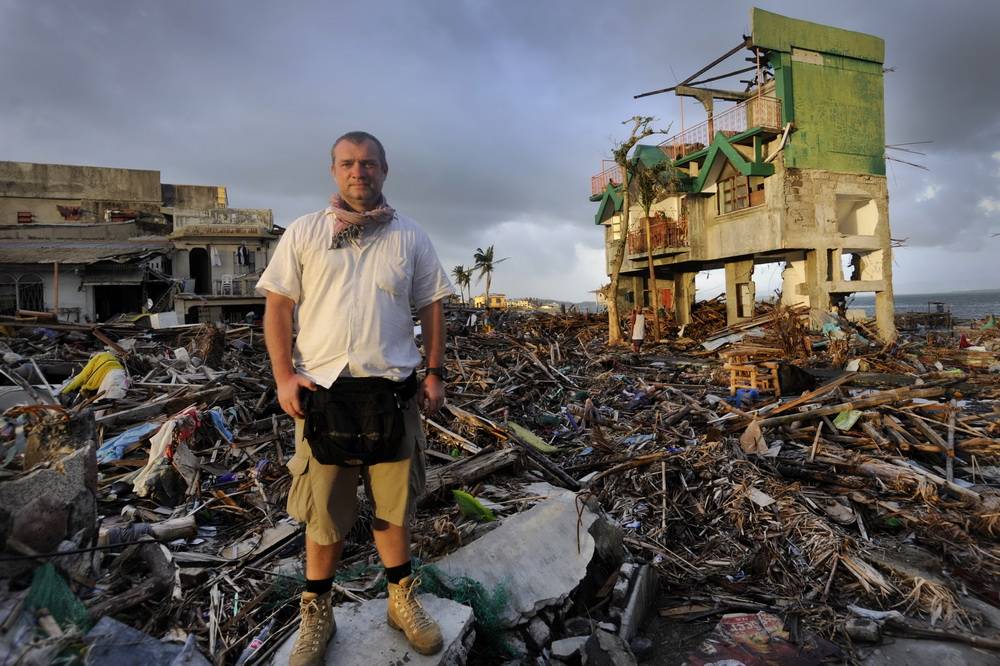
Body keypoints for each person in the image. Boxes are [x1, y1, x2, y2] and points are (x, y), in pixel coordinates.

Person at [257, 131, 453, 665]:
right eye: (348, 163)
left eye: (368, 164)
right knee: (324, 515)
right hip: (323, 395)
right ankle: (318, 616)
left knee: (393, 510)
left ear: (384, 170)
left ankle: (400, 601)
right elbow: (278, 308)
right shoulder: (303, 233)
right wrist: (283, 377)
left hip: (392, 394)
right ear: (333, 171)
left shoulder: (409, 237)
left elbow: (432, 306)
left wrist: (434, 374)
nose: (358, 172)